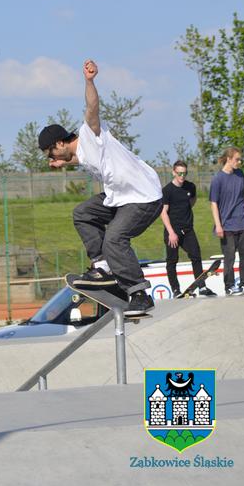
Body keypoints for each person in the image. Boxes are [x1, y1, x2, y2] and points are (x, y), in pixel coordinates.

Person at [38, 59, 163, 315]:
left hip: (143, 196)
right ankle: (103, 266)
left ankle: (139, 292)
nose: (52, 157)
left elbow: (92, 107)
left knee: (115, 238)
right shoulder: (80, 153)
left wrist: (89, 81)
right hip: (120, 198)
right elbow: (78, 158)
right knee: (83, 213)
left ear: (61, 143)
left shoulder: (90, 133)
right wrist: (64, 163)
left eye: (51, 152)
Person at [209, 146, 244, 295]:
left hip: (243, 221)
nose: (239, 162)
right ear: (229, 159)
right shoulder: (218, 179)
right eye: (237, 159)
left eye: (240, 159)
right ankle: (229, 286)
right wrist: (218, 225)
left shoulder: (239, 174)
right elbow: (214, 203)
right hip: (227, 225)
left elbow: (241, 198)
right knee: (229, 257)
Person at [161, 160, 217, 298]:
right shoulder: (167, 190)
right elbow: (163, 212)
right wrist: (171, 232)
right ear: (174, 172)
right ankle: (175, 289)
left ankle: (201, 287)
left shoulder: (190, 187)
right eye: (179, 173)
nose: (182, 176)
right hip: (172, 232)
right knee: (172, 260)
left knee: (196, 255)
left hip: (187, 230)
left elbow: (192, 201)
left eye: (184, 173)